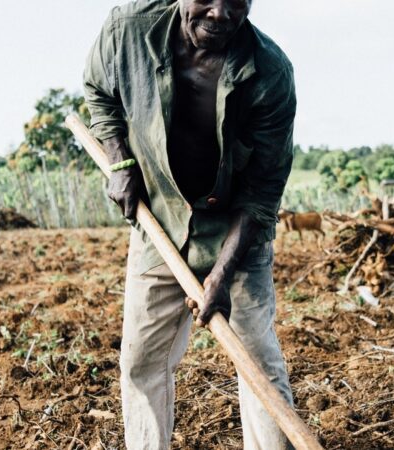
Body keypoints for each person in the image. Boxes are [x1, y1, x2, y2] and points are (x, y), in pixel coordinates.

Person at [83, 0, 296, 448]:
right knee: (141, 360)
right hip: (159, 221)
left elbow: (262, 194)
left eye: (236, 0)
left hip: (236, 233)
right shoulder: (128, 30)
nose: (219, 12)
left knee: (257, 364)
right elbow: (98, 89)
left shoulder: (270, 72)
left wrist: (220, 274)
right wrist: (120, 162)